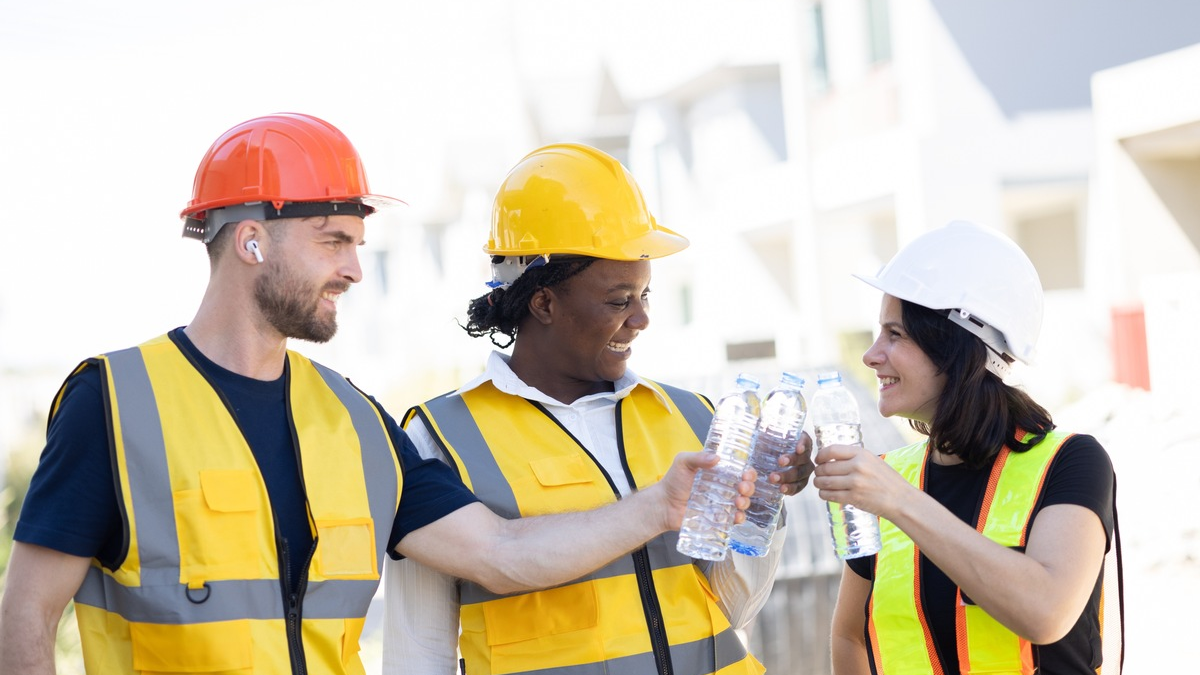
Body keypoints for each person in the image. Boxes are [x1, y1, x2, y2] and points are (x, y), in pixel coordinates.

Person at [0, 114, 758, 675]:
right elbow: (27, 614)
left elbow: (499, 553)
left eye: (358, 246)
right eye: (333, 240)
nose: (355, 271)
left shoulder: (355, 422)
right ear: (251, 240)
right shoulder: (116, 402)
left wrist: (658, 506)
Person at [382, 143, 815, 675]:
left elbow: (731, 606)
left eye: (646, 295)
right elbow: (417, 651)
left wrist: (764, 502)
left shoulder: (692, 416)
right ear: (543, 303)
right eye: (619, 300)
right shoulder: (441, 438)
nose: (641, 319)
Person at [815, 220, 1120, 674]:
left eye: (895, 334)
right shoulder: (888, 477)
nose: (871, 354)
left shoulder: (1071, 462)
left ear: (955, 348)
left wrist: (899, 502)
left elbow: (1046, 612)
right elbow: (850, 635)